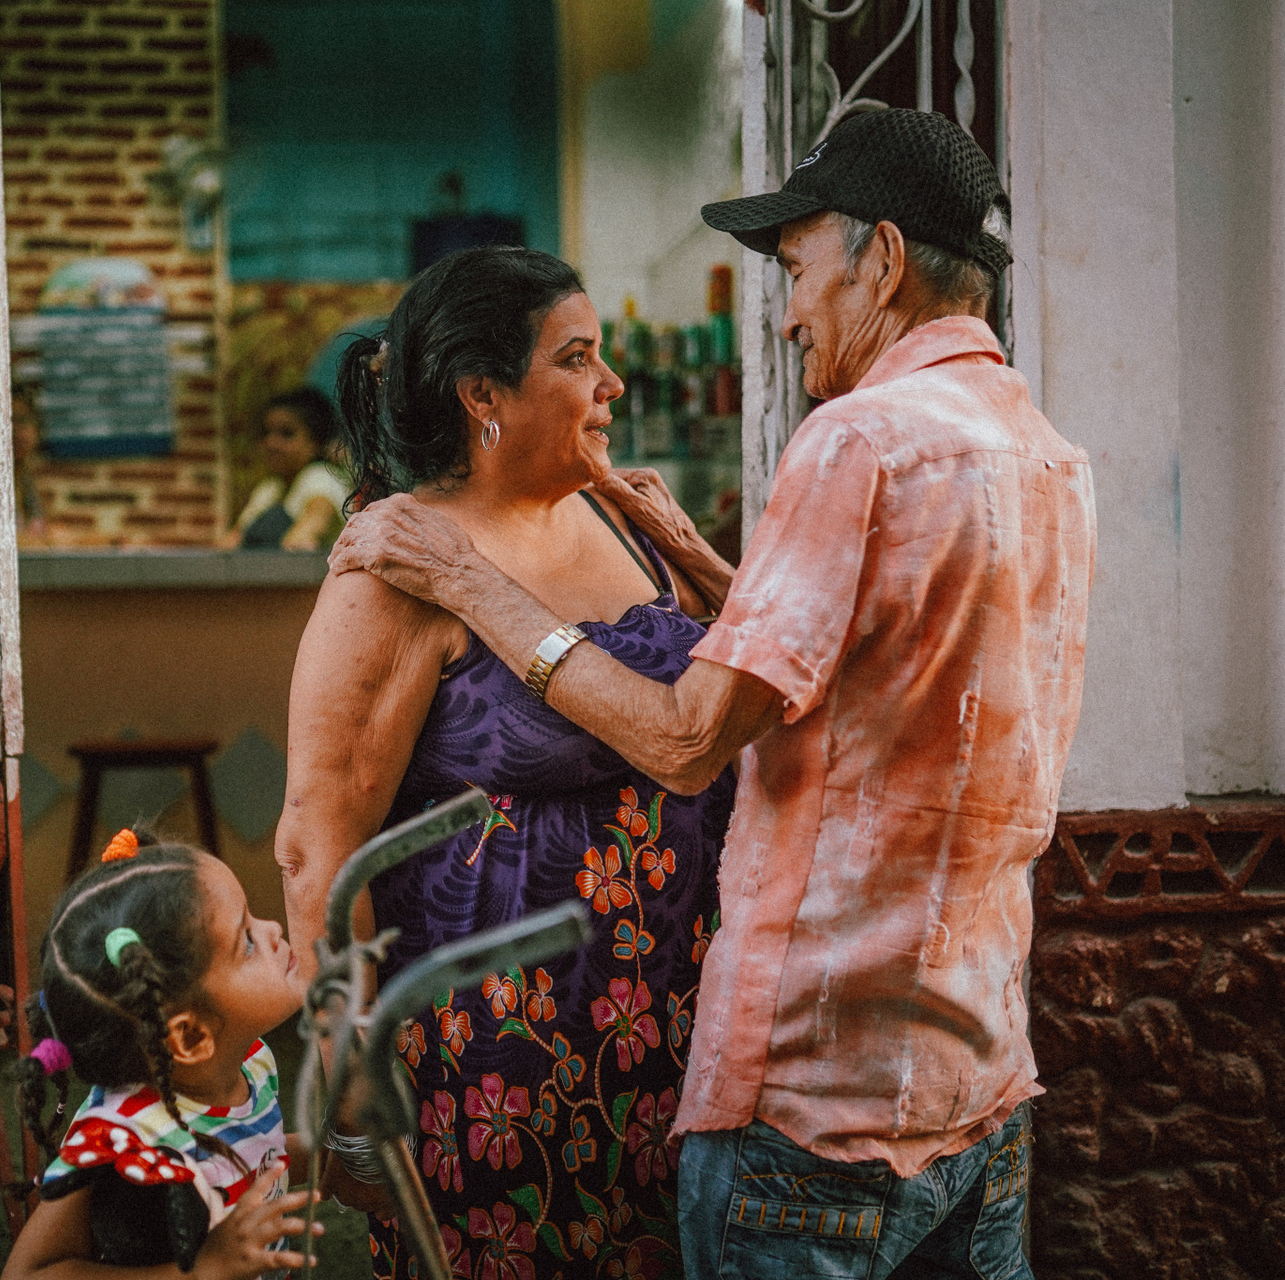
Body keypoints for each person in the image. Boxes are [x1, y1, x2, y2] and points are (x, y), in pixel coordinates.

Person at [332, 109, 1095, 1280]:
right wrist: (700, 558)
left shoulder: (858, 442)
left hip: (821, 1096)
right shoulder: (1041, 450)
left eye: (796, 269)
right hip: (974, 1074)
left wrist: (473, 585)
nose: (787, 312)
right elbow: (875, 672)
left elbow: (689, 741)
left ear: (883, 261)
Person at [276, 246, 739, 1279]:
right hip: (498, 1063)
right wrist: (353, 1080)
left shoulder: (625, 516)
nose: (611, 384)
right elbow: (316, 845)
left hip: (680, 1029)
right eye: (576, 359)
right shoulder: (397, 564)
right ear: (481, 394)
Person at [1, 829, 323, 1280]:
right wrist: (204, 1270)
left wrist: (330, 1157)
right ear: (190, 1038)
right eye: (247, 941)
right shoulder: (128, 1141)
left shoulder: (248, 1062)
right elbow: (27, 1274)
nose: (272, 929)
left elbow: (252, 1156)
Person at [220, 386, 351, 551]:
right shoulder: (268, 489)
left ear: (315, 443)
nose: (271, 443)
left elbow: (303, 538)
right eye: (265, 433)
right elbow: (229, 545)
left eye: (286, 434)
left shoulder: (321, 478)